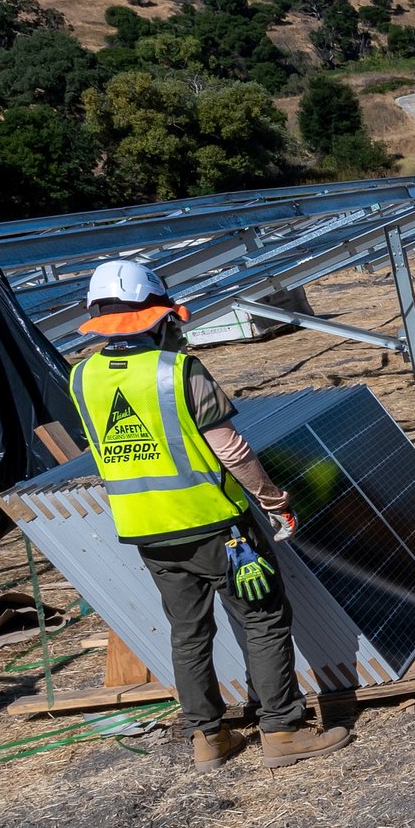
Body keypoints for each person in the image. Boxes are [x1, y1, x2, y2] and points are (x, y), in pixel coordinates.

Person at [68, 261, 352, 770]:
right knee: (262, 619)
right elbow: (233, 451)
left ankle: (208, 739)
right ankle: (282, 732)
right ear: (156, 317)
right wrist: (273, 500)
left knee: (188, 631)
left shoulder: (80, 377)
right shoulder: (177, 371)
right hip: (217, 526)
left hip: (146, 530)